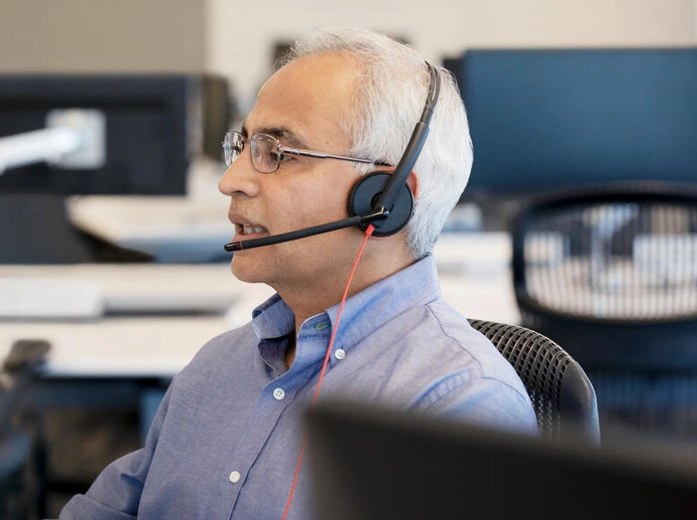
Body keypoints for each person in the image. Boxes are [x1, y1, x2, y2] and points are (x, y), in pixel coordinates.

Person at [56, 29, 537, 520]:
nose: (232, 181)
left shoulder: (460, 406)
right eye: (243, 146)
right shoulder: (216, 369)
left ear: (384, 198)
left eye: (278, 153)